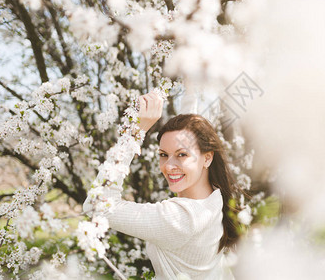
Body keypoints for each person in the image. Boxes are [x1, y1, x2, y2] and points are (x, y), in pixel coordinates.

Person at [83, 91, 238, 279]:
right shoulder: (213, 198)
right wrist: (191, 86)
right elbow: (192, 140)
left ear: (207, 158)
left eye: (181, 155)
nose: (169, 166)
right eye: (163, 154)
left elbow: (97, 205)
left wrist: (135, 132)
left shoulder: (178, 219)